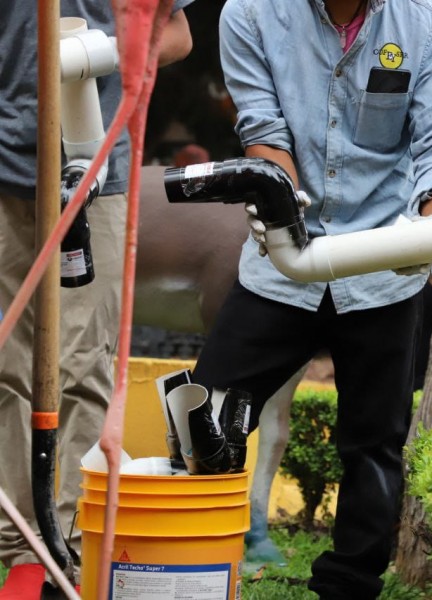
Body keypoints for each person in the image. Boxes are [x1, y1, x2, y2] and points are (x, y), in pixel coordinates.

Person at [189, 0, 432, 597]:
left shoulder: (424, 16)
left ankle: (349, 587)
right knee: (202, 413)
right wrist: (289, 220)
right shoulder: (249, 13)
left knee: (374, 445)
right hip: (284, 259)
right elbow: (262, 131)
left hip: (384, 262)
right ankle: (194, 571)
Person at [0, 2, 193, 596]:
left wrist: (94, 54)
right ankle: (18, 548)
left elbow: (177, 35)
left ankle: (73, 546)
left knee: (83, 363)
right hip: (4, 173)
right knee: (8, 364)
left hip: (97, 173)